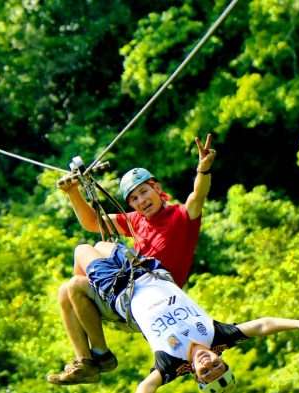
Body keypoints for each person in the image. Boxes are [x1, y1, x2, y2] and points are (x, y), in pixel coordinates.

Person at [47, 242, 299, 393]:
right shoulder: (219, 337)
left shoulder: (172, 364)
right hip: (148, 271)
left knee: (81, 254)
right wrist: (298, 323)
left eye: (206, 372)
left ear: (195, 374)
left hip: (120, 290)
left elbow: (147, 386)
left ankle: (96, 353)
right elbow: (263, 325)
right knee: (101, 248)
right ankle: (86, 316)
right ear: (222, 358)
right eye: (218, 365)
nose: (209, 363)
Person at [52, 135, 217, 377]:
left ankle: (99, 347)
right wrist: (73, 193)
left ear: (157, 189)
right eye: (134, 199)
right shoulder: (136, 220)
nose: (141, 201)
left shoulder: (182, 217)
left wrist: (203, 170)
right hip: (129, 293)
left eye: (143, 192)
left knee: (82, 256)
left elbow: (197, 196)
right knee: (69, 287)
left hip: (150, 298)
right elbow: (91, 221)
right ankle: (88, 359)